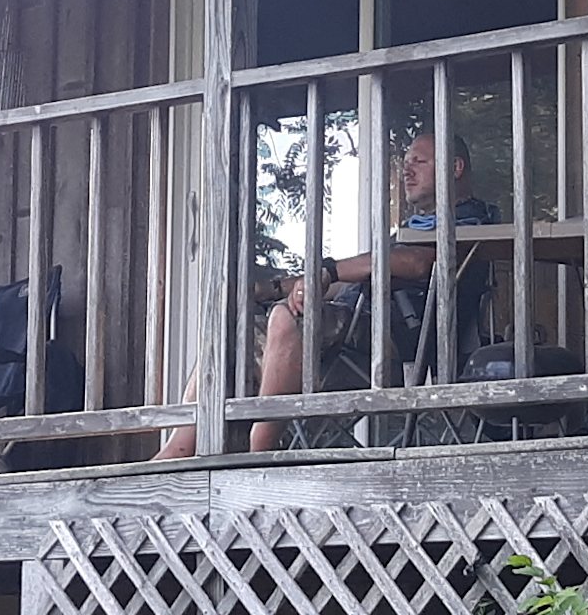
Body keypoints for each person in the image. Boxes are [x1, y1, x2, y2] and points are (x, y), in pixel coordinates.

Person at [156, 128, 494, 458]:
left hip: (395, 343)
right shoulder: (413, 228)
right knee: (233, 327)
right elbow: (349, 278)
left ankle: (258, 452)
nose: (405, 169)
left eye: (419, 161)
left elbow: (419, 263)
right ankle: (181, 447)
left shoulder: (472, 221)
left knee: (285, 318)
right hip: (353, 335)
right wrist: (275, 288)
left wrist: (327, 271)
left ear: (454, 168)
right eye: (405, 161)